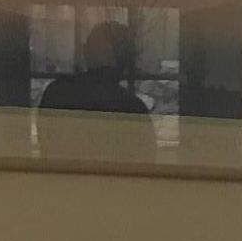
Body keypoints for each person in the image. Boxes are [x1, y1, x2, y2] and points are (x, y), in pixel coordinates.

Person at [36, 20, 156, 160]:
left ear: (87, 53)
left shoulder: (56, 93)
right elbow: (146, 160)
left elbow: (47, 148)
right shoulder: (132, 107)